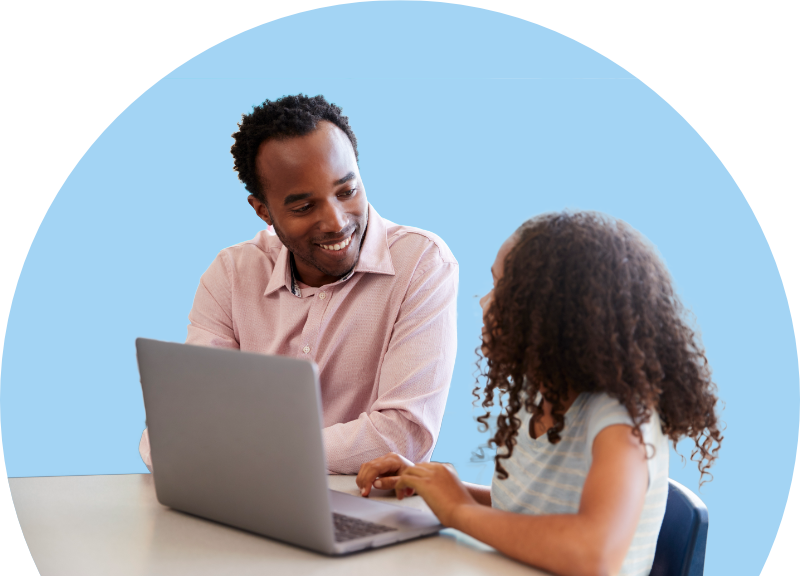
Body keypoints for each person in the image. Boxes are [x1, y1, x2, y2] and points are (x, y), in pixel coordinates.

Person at [356, 211, 723, 576]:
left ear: (559, 316)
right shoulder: (538, 397)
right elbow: (528, 517)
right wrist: (431, 485)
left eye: (503, 289)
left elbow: (594, 554)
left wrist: (458, 511)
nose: (484, 303)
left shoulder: (621, 419)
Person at [139, 94, 458, 474]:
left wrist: (239, 450)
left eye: (347, 191)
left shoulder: (422, 263)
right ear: (263, 211)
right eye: (304, 207)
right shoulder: (231, 274)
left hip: (363, 500)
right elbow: (175, 428)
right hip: (251, 498)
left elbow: (403, 436)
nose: (336, 221)